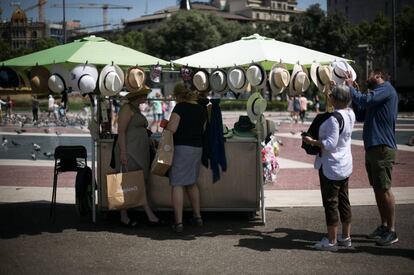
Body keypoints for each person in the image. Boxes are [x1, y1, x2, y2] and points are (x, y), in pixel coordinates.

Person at [345, 68, 399, 246]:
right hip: (374, 147)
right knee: (377, 189)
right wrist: (353, 96)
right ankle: (384, 226)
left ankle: (392, 230)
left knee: (384, 189)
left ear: (378, 76)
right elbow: (361, 113)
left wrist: (352, 88)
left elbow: (365, 100)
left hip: (382, 147)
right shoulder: (376, 94)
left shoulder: (386, 89)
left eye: (370, 76)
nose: (367, 79)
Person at [302, 84, 355, 251]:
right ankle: (345, 237)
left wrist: (311, 142)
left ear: (335, 99)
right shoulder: (350, 114)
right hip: (345, 163)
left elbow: (329, 144)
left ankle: (331, 241)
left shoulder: (333, 119)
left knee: (331, 202)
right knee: (344, 200)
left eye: (331, 95)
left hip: (331, 166)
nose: (329, 97)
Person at [114, 85, 162, 227]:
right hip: (130, 152)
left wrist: (150, 141)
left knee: (133, 182)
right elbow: (121, 132)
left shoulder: (135, 109)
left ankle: (127, 215)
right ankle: (148, 215)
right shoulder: (126, 109)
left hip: (138, 151)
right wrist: (123, 152)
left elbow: (138, 129)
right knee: (131, 183)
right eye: (144, 94)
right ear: (138, 96)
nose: (146, 96)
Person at [166, 83, 207, 233]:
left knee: (177, 183)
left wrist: (166, 125)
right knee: (191, 183)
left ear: (178, 96)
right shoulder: (201, 109)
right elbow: (202, 129)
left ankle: (178, 223)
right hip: (197, 148)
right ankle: (198, 218)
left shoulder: (180, 108)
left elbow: (172, 128)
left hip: (181, 148)